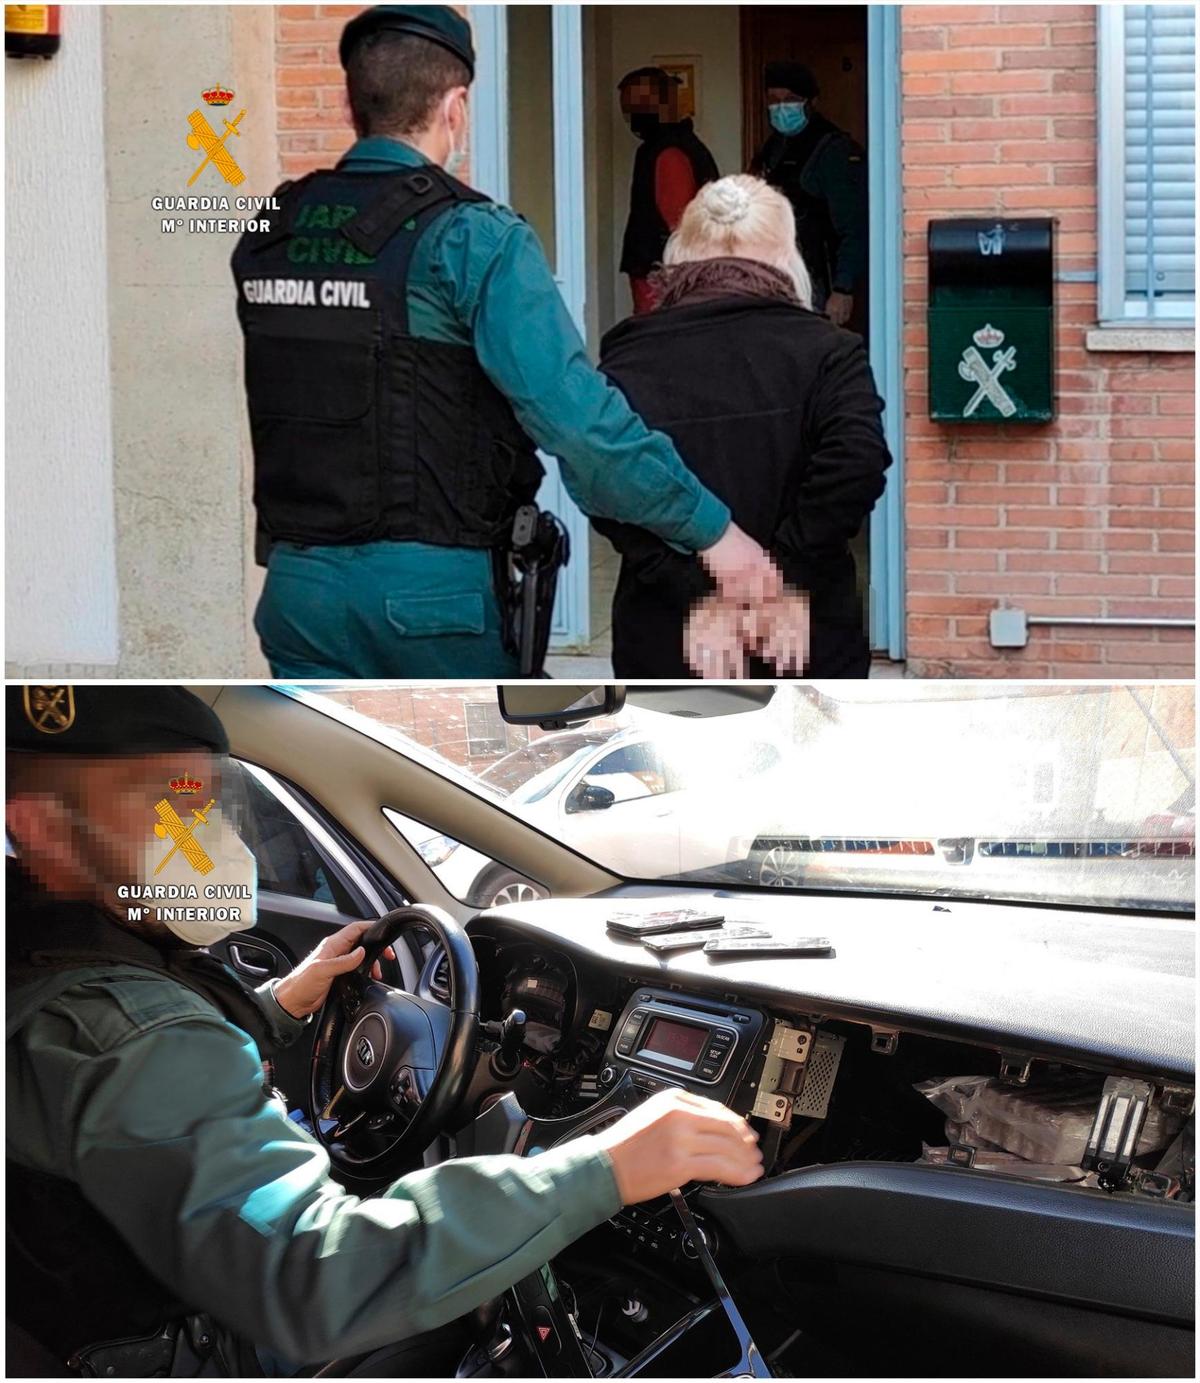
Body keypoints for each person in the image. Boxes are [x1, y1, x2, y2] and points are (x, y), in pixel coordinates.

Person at [6, 684, 765, 1376]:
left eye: (203, 802)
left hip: (113, 1324)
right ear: (40, 830)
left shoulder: (54, 968)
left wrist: (285, 1003)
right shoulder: (134, 1034)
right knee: (478, 1305)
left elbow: (142, 1091)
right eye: (160, 804)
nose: (197, 834)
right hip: (197, 1346)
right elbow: (313, 1276)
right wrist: (608, 1167)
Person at [231, 6, 777, 679]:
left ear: (352, 104)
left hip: (298, 591)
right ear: (455, 108)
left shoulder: (270, 229)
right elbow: (580, 425)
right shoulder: (473, 238)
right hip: (434, 600)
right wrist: (712, 531)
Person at [595, 176, 892, 680]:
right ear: (786, 254)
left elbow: (608, 485)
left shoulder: (627, 355)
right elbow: (856, 466)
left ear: (681, 251)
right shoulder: (829, 350)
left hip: (671, 631)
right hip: (802, 629)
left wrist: (699, 593)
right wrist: (781, 582)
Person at [750, 60, 867, 327]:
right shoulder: (775, 146)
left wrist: (843, 289)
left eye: (790, 99)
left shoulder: (831, 150)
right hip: (780, 276)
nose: (781, 108)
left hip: (819, 281)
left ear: (811, 101)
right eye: (773, 100)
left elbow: (854, 226)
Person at [617, 66, 719, 315]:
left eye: (638, 104)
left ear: (666, 102)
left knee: (658, 344)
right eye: (627, 108)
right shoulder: (688, 146)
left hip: (663, 278)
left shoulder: (667, 152)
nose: (631, 115)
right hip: (674, 275)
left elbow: (679, 223)